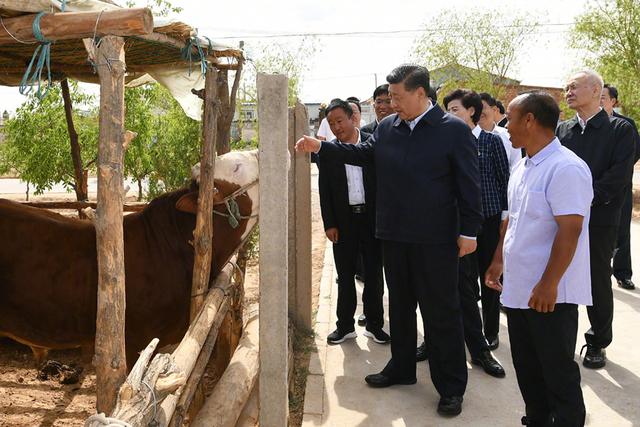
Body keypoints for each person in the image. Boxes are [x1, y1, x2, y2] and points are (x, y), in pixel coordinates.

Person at [296, 64, 482, 417]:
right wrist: (321, 146)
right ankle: (401, 367)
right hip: (394, 235)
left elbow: (468, 186)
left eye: (397, 96)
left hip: (436, 239)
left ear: (420, 93)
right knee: (399, 304)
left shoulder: (452, 131)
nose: (390, 102)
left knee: (441, 313)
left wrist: (469, 232)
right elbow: (362, 155)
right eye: (390, 96)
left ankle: (451, 385)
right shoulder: (388, 128)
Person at [486, 91, 593, 427]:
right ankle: (537, 419)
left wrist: (549, 283)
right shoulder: (524, 166)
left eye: (511, 119)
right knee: (528, 368)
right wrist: (498, 259)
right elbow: (514, 221)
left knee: (558, 372)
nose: (507, 126)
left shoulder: (566, 168)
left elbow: (570, 230)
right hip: (520, 289)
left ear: (529, 120)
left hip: (550, 295)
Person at [557, 70, 636, 369]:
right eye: (566, 88)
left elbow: (618, 175)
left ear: (595, 90)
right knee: (561, 276)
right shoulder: (563, 130)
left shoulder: (620, 129)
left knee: (596, 281)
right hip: (564, 218)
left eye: (574, 86)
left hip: (599, 219)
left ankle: (597, 342)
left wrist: (582, 197)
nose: (568, 92)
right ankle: (562, 341)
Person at [318, 99, 389, 345]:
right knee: (345, 275)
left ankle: (374, 324)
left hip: (371, 220)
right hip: (344, 222)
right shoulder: (328, 152)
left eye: (339, 121)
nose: (336, 127)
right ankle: (345, 326)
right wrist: (330, 224)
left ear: (353, 118)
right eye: (331, 123)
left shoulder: (372, 142)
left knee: (373, 274)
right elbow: (324, 191)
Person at [601, 83, 640, 291]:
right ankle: (601, 271)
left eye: (603, 97)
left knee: (622, 231)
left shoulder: (625, 124)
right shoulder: (590, 125)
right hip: (597, 189)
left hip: (620, 187)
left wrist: (616, 171)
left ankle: (623, 273)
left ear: (613, 101)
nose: (599, 100)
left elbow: (634, 153)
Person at [479, 92, 523, 171]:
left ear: (494, 110)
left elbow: (516, 166)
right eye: (475, 108)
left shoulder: (508, 135)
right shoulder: (467, 137)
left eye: (482, 107)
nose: (478, 112)